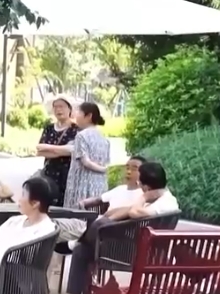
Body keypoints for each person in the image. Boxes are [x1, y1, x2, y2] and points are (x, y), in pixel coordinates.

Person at [65, 161, 180, 294]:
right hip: (141, 248)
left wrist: (143, 197)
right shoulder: (163, 199)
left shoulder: (164, 204)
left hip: (134, 252)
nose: (138, 185)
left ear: (147, 187)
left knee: (86, 244)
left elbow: (134, 212)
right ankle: (77, 245)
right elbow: (129, 210)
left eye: (139, 183)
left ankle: (74, 244)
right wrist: (110, 217)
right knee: (90, 239)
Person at [57, 155, 145, 243]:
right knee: (55, 224)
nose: (129, 172)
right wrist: (84, 202)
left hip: (108, 230)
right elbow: (99, 199)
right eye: (127, 168)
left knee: (57, 229)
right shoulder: (120, 189)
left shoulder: (143, 195)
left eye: (134, 169)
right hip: (96, 223)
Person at [63, 102, 110, 209]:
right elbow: (106, 163)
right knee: (95, 213)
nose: (76, 116)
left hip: (82, 184)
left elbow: (86, 162)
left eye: (79, 112)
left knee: (78, 214)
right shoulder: (104, 138)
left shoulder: (81, 136)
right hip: (99, 184)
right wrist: (104, 170)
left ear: (89, 116)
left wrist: (103, 169)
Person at [36, 96, 78, 206]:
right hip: (49, 173)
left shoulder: (75, 129)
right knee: (48, 203)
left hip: (67, 174)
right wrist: (63, 149)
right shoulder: (49, 128)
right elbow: (39, 151)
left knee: (64, 205)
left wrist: (48, 148)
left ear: (70, 109)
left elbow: (73, 151)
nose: (58, 110)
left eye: (62, 106)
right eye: (55, 107)